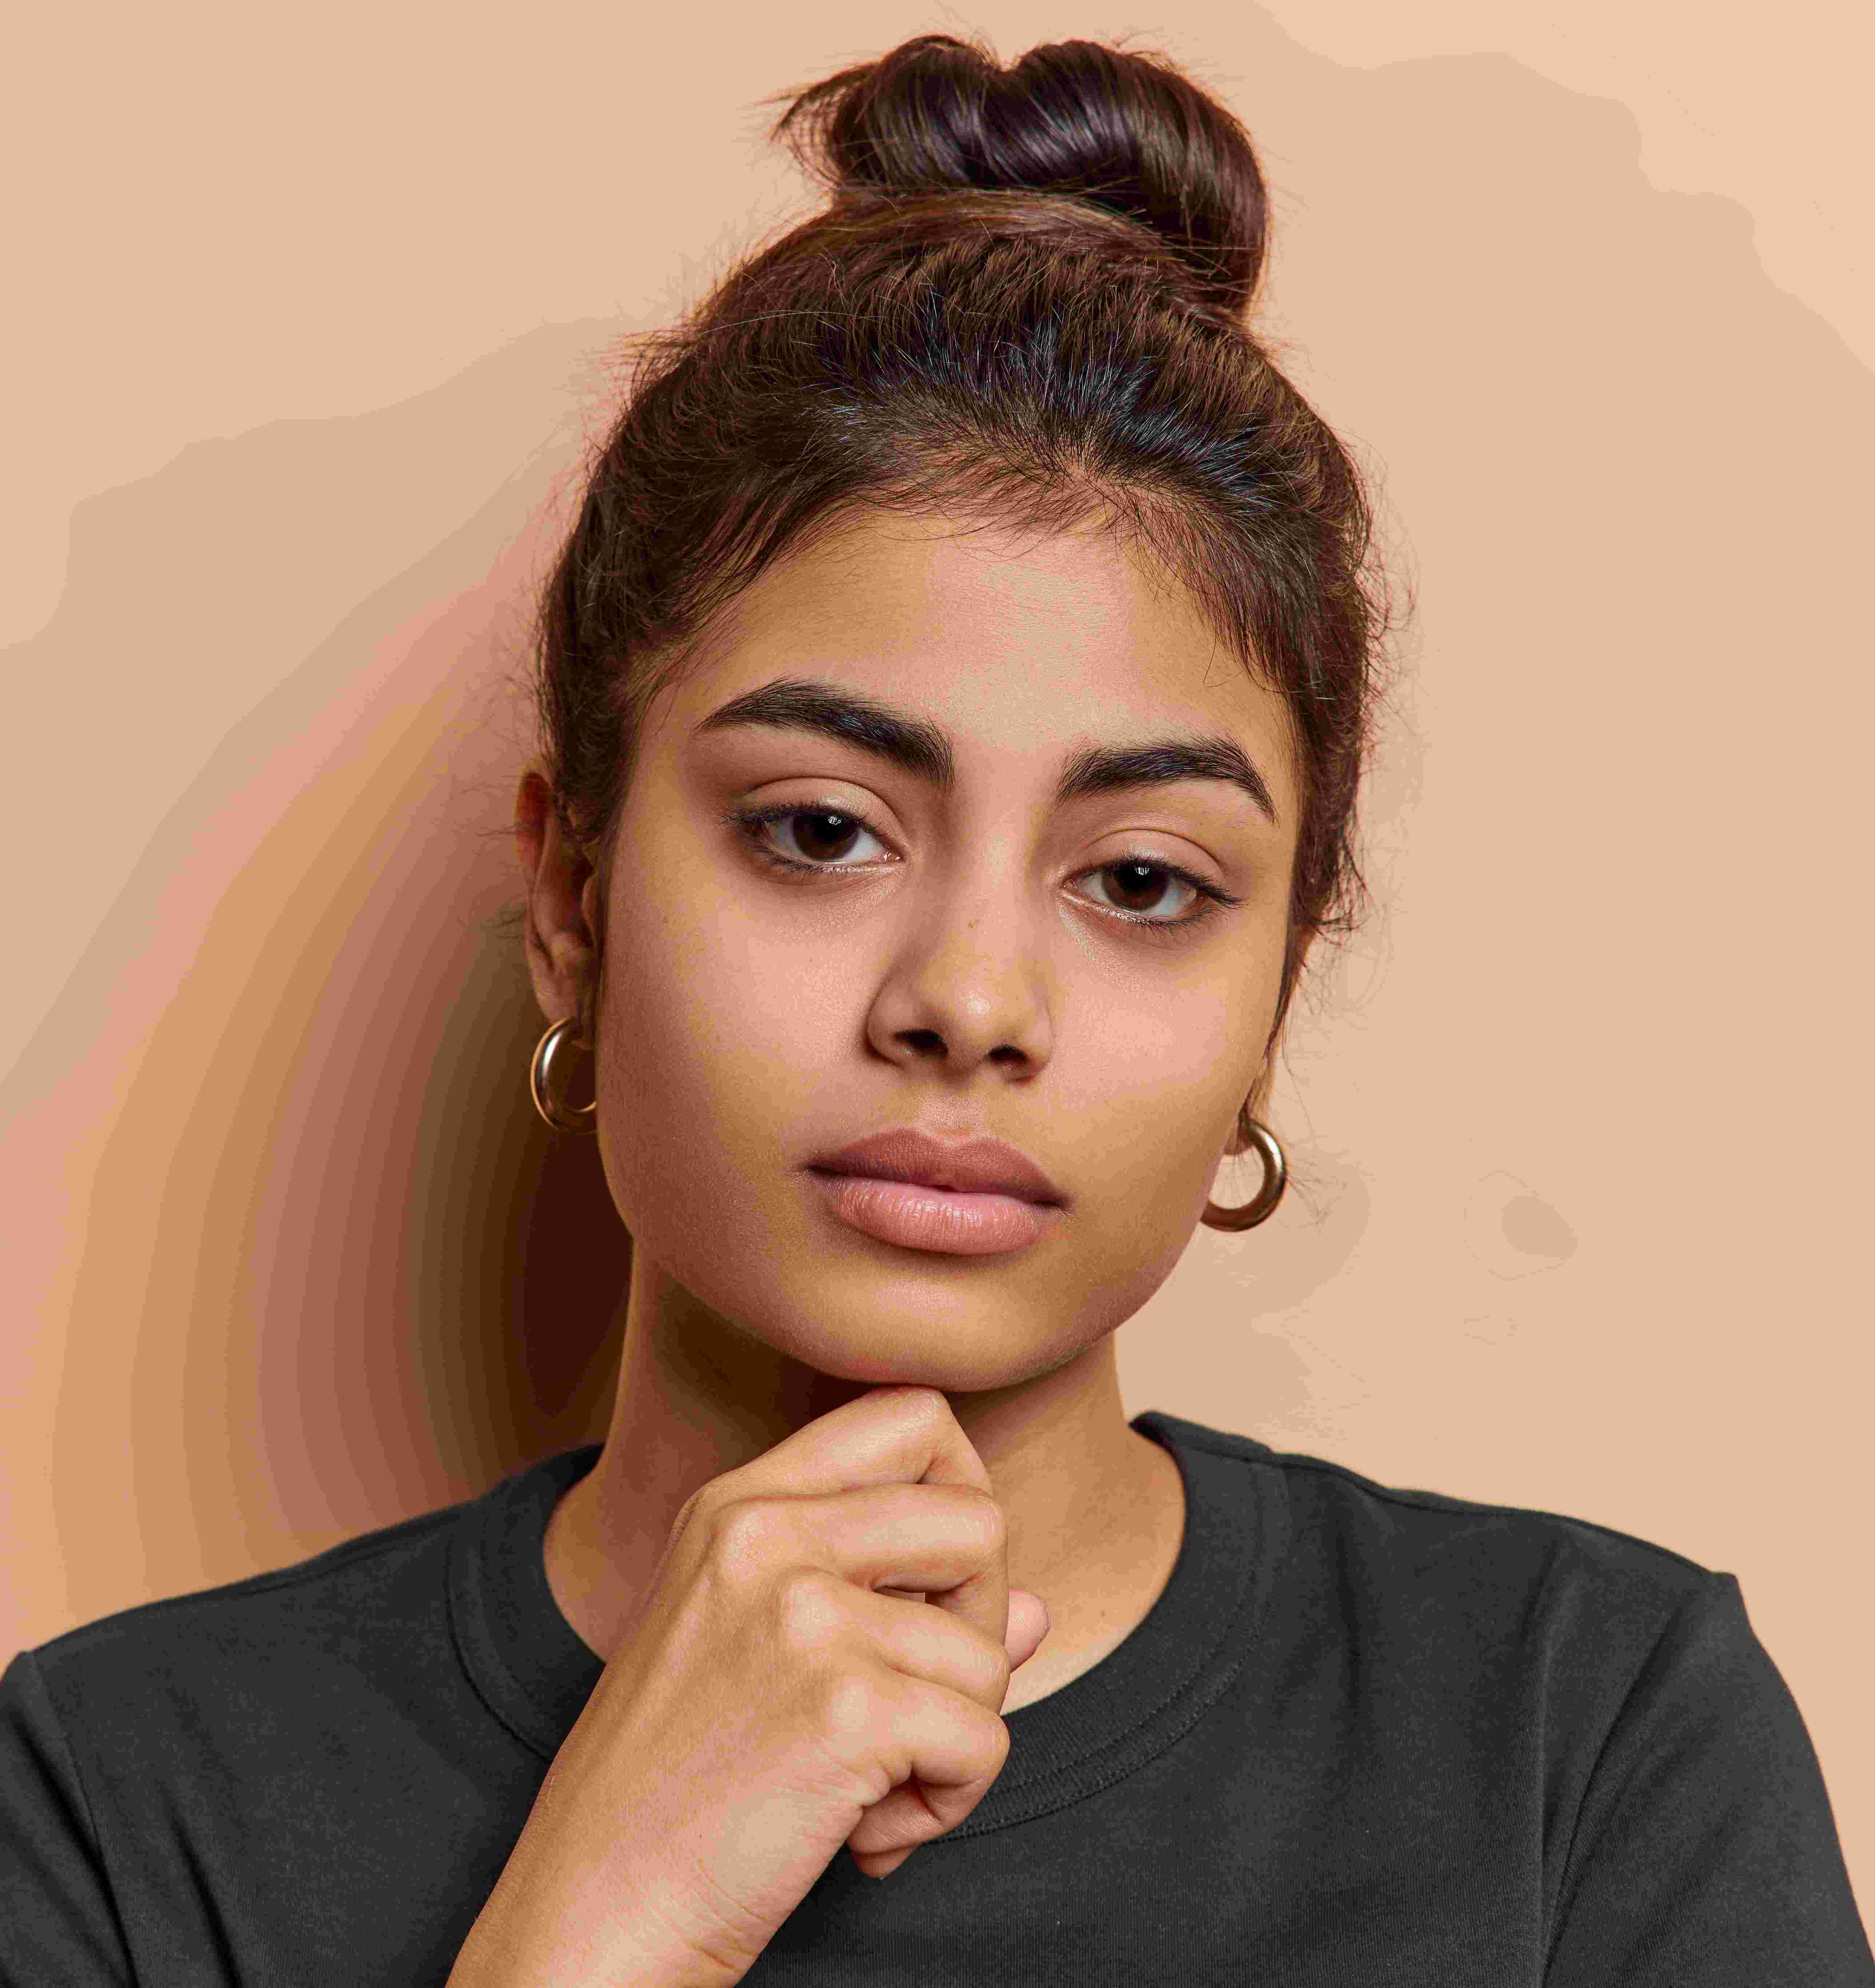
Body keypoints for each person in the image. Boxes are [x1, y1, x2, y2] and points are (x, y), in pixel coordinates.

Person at [3, 31, 1869, 1988]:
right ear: (573, 902)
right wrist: (608, 1922)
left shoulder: (1586, 1738)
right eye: (821, 830)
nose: (969, 1002)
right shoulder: (122, 1804)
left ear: (1276, 996)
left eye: (1140, 882)